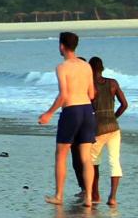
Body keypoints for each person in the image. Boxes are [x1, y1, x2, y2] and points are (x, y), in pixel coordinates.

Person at [36, 31, 98, 206]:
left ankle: (59, 196)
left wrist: (48, 113)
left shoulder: (62, 67)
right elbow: (92, 93)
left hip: (71, 111)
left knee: (61, 154)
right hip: (87, 110)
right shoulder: (86, 66)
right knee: (86, 157)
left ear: (62, 46)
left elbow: (63, 95)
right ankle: (88, 197)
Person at [86, 55, 130, 207]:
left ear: (90, 69)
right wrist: (114, 117)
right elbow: (124, 104)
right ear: (102, 68)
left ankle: (96, 194)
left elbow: (85, 108)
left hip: (97, 128)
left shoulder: (89, 85)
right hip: (113, 128)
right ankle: (112, 197)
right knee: (114, 161)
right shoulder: (113, 83)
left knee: (93, 162)